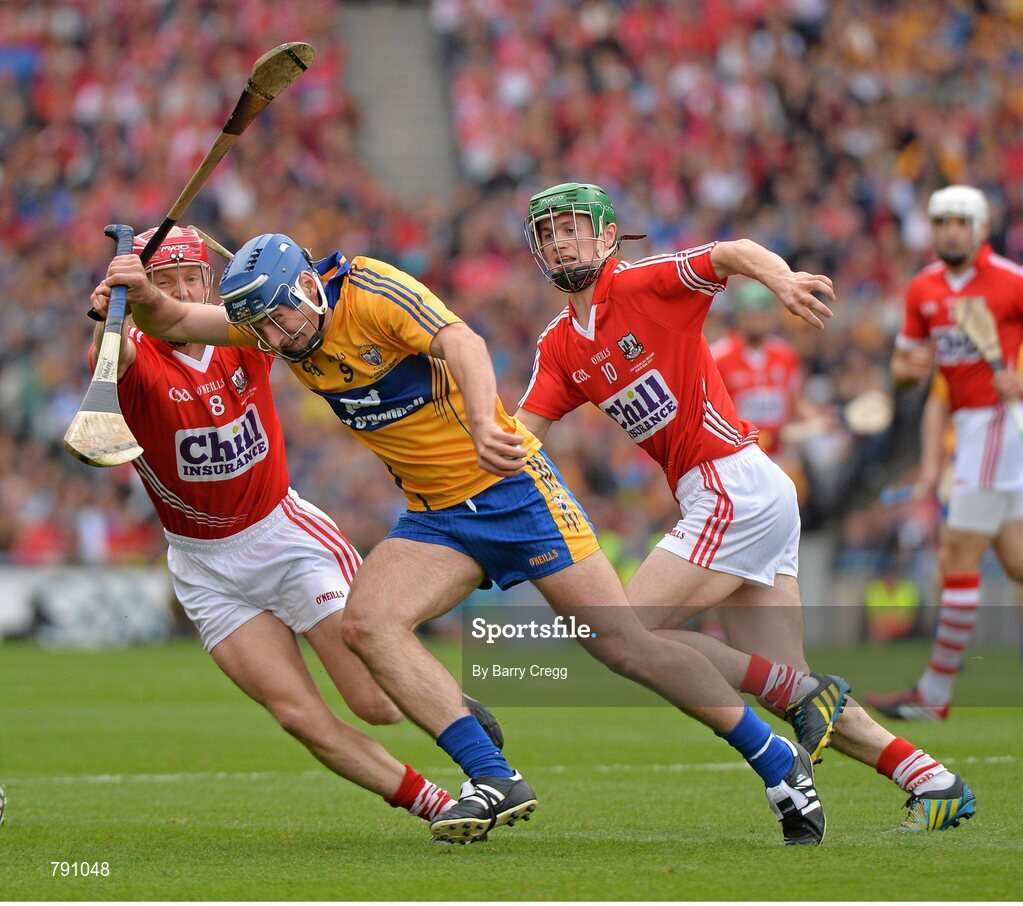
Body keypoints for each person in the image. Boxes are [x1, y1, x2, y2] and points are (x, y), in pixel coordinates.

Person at [97, 231, 833, 847]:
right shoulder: (273, 324)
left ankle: (772, 757)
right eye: (263, 331)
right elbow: (177, 323)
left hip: (513, 491)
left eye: (282, 322)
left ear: (307, 290)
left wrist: (486, 421)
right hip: (435, 517)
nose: (278, 341)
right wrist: (133, 290)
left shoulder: (370, 293)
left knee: (621, 644)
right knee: (368, 623)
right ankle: (491, 775)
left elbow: (462, 339)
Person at [516, 181, 975, 833]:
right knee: (787, 683)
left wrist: (783, 280)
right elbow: (519, 437)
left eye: (571, 228)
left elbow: (730, 252)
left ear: (606, 234)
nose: (559, 242)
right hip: (736, 492)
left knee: (623, 633)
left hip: (733, 485)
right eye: (547, 233)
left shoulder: (644, 285)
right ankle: (931, 780)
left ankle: (796, 718)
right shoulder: (559, 346)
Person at [86, 226, 484, 832]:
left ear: (207, 278)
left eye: (188, 276)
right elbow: (106, 361)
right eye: (162, 281)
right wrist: (111, 309)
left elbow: (299, 300)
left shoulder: (245, 330)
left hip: (285, 537)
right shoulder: (137, 351)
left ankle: (436, 696)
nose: (178, 288)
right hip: (202, 565)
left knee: (376, 704)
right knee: (298, 714)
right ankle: (433, 803)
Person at [867, 186, 1023, 720]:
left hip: (1001, 423)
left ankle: (933, 696)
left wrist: (1020, 380)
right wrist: (904, 371)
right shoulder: (923, 290)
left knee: (956, 555)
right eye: (942, 221)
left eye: (961, 221)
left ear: (980, 228)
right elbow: (912, 377)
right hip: (968, 426)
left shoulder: (1010, 282)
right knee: (1018, 561)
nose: (952, 230)